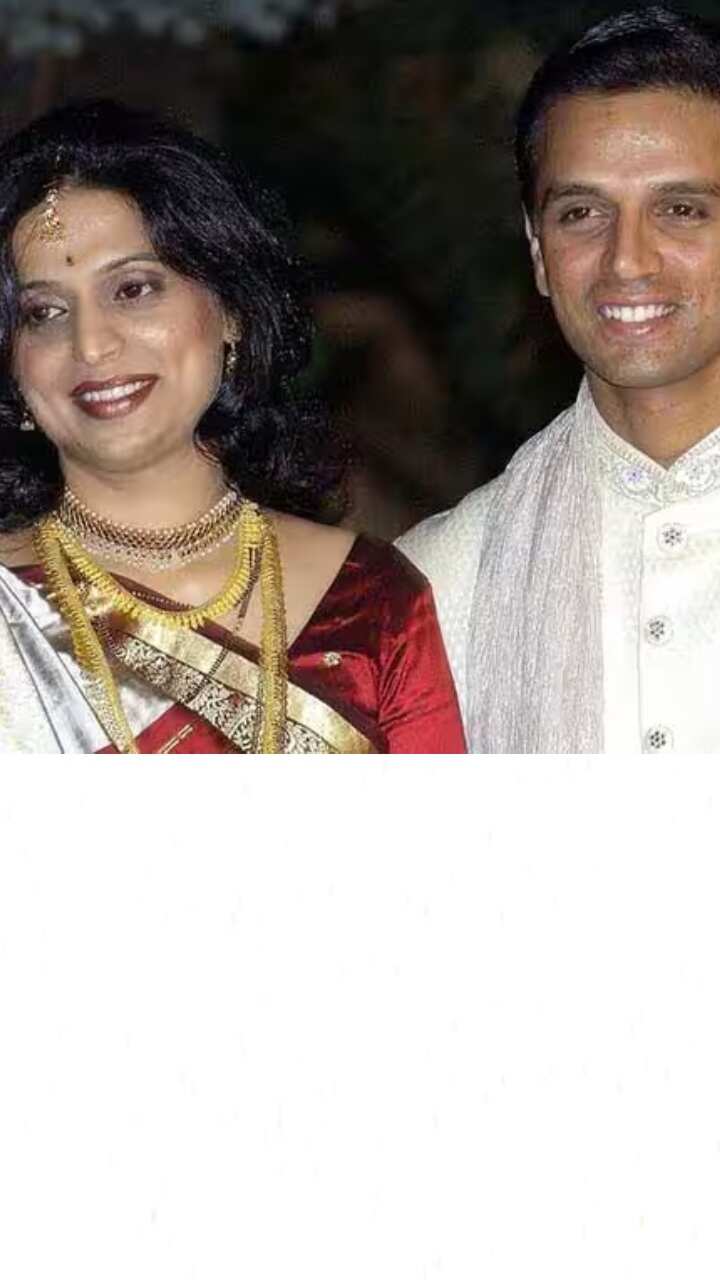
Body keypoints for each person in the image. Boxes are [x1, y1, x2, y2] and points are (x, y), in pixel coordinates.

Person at [0, 100, 465, 754]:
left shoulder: (372, 600)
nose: (92, 344)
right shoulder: (10, 610)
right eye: (43, 313)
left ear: (231, 312)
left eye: (133, 289)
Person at [399, 5, 720, 753]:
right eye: (581, 213)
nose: (627, 260)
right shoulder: (439, 583)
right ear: (539, 253)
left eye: (681, 209)